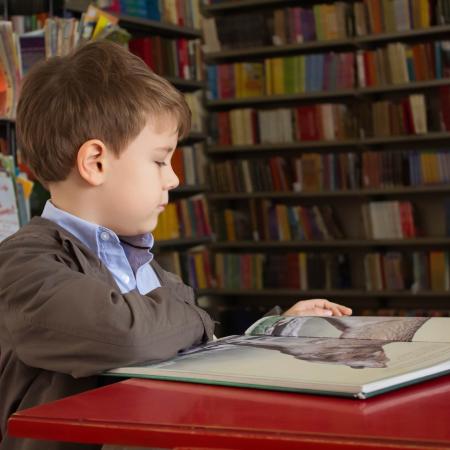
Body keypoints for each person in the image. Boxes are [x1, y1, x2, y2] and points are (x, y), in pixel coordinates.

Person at [0, 40, 351, 450]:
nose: (173, 179)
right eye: (159, 160)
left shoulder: (140, 261)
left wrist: (271, 333)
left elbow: (183, 347)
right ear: (95, 162)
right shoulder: (21, 264)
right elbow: (128, 337)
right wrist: (194, 318)